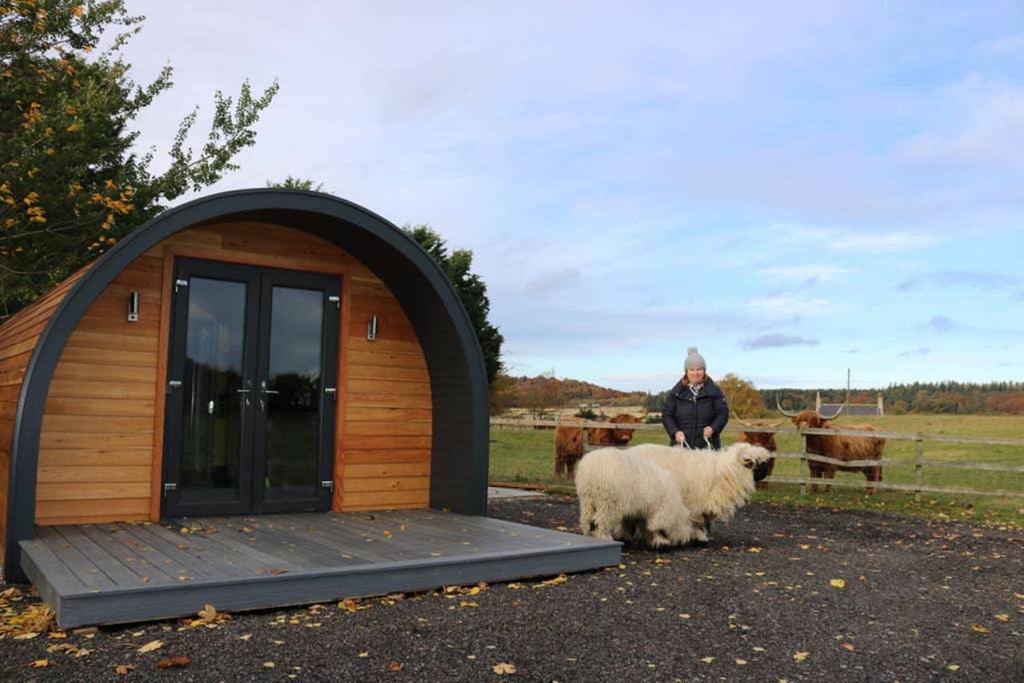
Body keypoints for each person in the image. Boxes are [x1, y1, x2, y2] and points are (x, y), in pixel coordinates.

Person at [661, 347, 729, 450]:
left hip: (708, 448)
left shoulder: (714, 391)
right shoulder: (675, 393)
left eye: (699, 369)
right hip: (681, 448)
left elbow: (723, 413)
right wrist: (675, 432)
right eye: (691, 369)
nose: (695, 373)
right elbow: (667, 415)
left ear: (704, 371)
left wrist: (713, 428)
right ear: (686, 371)